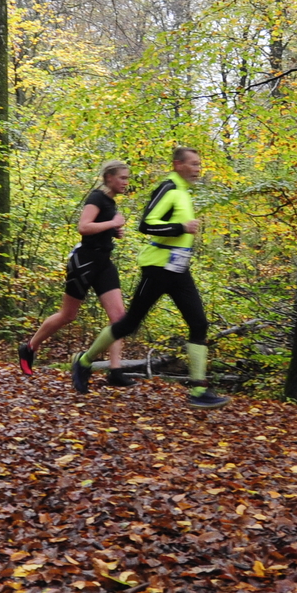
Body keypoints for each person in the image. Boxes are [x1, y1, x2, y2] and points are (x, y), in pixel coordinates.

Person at [70, 147, 227, 408]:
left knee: (199, 323)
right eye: (193, 164)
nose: (198, 169)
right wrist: (181, 227)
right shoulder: (168, 188)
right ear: (178, 165)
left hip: (178, 269)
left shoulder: (184, 192)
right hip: (157, 268)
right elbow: (147, 225)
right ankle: (84, 361)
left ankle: (199, 391)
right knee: (129, 323)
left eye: (200, 164)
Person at [20, 161, 133, 385]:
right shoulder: (96, 198)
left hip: (104, 263)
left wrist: (115, 230)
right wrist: (111, 223)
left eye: (127, 178)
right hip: (84, 262)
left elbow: (101, 228)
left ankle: (116, 371)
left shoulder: (110, 202)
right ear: (109, 177)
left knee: (119, 318)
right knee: (68, 315)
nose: (126, 182)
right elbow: (83, 227)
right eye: (122, 178)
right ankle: (30, 347)